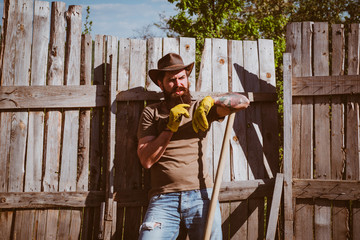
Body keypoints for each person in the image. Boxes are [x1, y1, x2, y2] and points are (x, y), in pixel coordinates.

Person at [137, 53, 250, 240]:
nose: (178, 83)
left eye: (182, 78)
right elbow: (146, 160)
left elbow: (243, 102)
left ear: (187, 79)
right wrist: (169, 127)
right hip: (163, 199)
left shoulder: (200, 108)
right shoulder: (151, 112)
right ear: (161, 83)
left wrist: (211, 101)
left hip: (201, 195)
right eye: (171, 80)